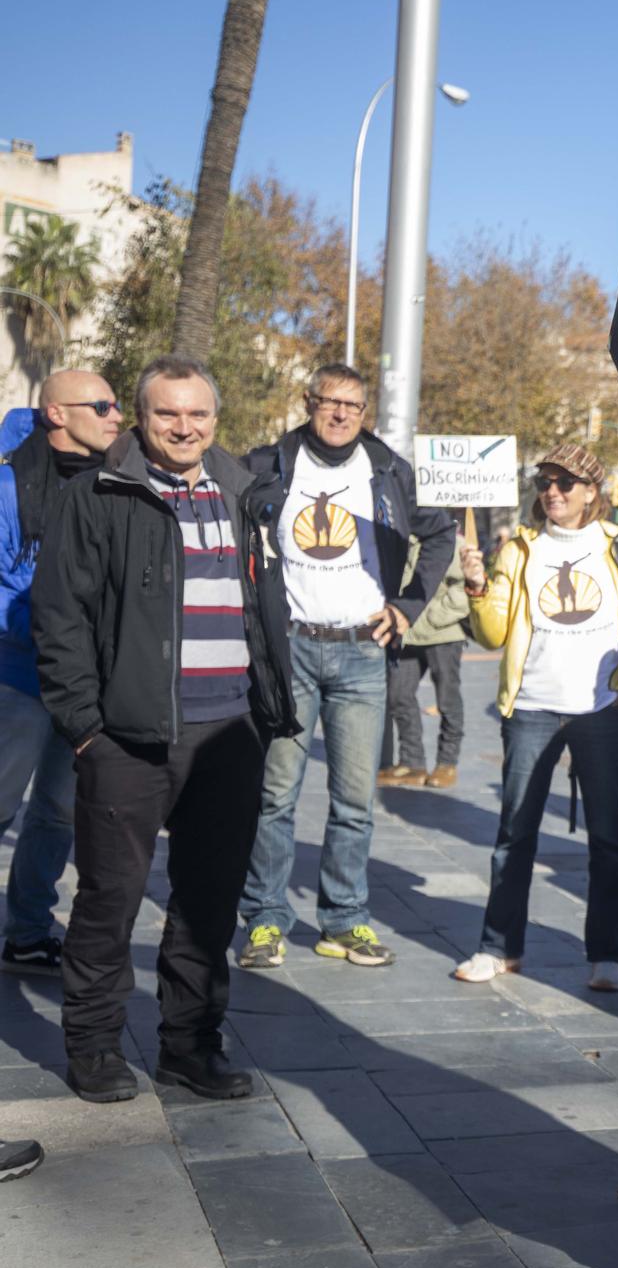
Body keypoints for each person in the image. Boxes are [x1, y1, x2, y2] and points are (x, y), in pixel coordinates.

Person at [33, 355, 297, 1104]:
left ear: (216, 418)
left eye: (198, 414)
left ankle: (190, 1045)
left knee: (209, 904)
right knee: (108, 902)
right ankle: (92, 1047)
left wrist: (269, 704)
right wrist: (85, 725)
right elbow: (59, 617)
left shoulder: (246, 493)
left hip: (230, 734)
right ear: (142, 419)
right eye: (167, 414)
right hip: (126, 738)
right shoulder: (99, 494)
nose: (184, 427)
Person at [238, 364, 454, 970]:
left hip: (362, 652)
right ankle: (263, 919)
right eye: (328, 402)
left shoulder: (388, 472)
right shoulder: (268, 464)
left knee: (354, 800)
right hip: (291, 652)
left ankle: (344, 920)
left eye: (351, 405)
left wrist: (408, 607)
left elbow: (441, 534)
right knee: (276, 794)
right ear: (308, 404)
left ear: (365, 413)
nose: (339, 414)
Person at [456, 444, 618, 993]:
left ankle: (606, 955)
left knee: (608, 838)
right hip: (531, 707)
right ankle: (498, 948)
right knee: (513, 833)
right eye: (545, 482)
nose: (552, 491)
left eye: (566, 483)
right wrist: (477, 587)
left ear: (592, 491)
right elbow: (494, 633)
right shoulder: (519, 549)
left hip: (602, 708)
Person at [1, 373, 121, 976]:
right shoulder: (6, 482)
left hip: (85, 683)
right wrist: (44, 627)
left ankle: (25, 930)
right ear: (55, 413)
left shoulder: (117, 482)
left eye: (117, 404)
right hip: (16, 676)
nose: (115, 415)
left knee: (56, 811)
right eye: (101, 405)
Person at [378, 529, 471, 788]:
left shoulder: (450, 540)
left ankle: (447, 763)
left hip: (443, 633)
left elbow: (462, 587)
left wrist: (432, 617)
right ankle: (412, 762)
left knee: (448, 700)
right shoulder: (397, 538)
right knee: (398, 694)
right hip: (407, 632)